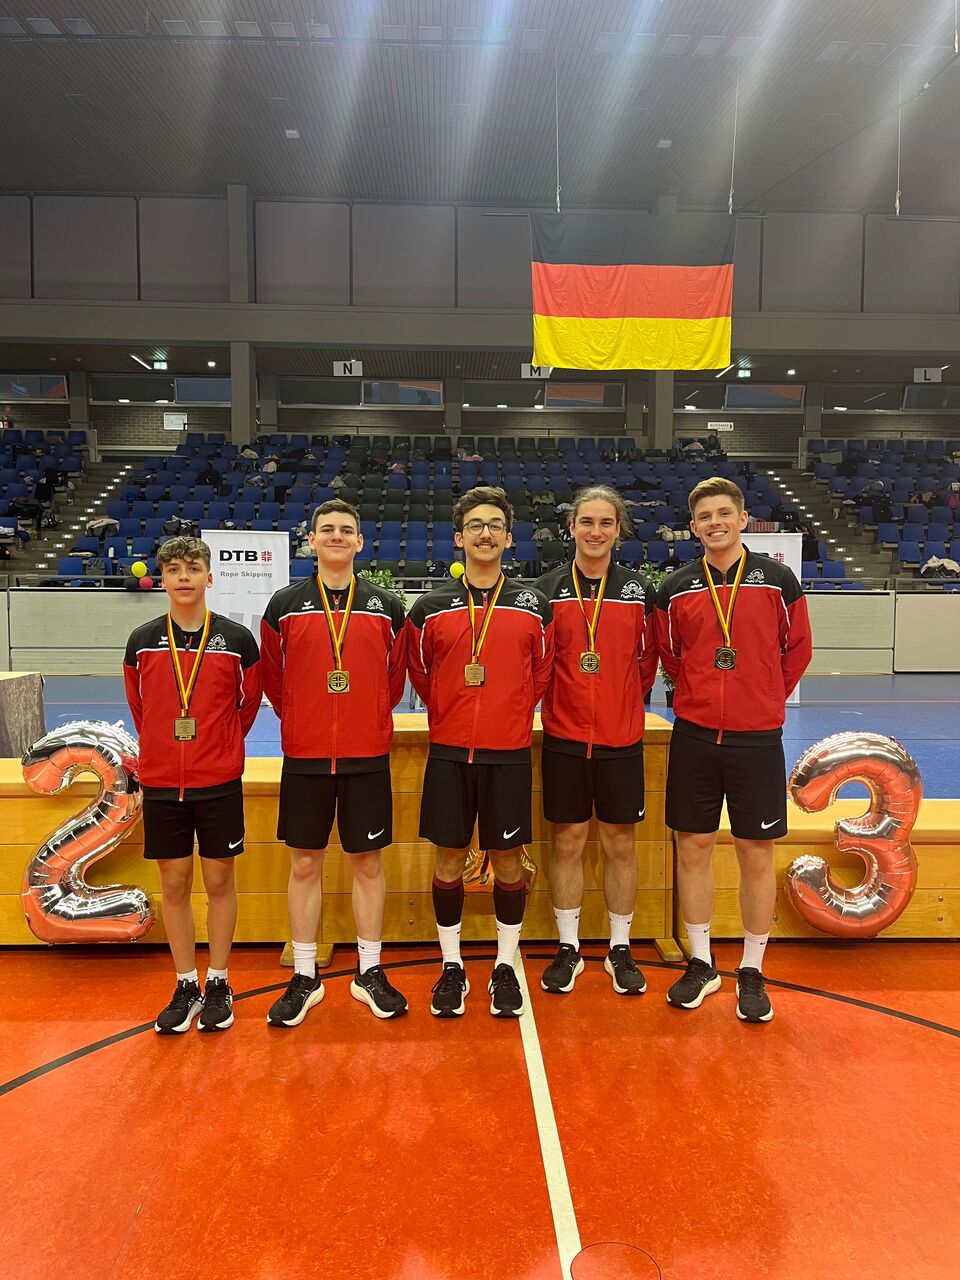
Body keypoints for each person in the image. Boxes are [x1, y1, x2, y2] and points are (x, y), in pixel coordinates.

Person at [655, 478, 812, 1023]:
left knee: (755, 852)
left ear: (743, 519)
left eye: (724, 513)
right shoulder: (675, 588)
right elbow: (671, 657)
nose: (715, 523)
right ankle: (701, 961)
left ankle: (752, 968)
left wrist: (763, 697)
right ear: (693, 526)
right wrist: (701, 696)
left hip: (756, 737)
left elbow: (798, 649)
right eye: (705, 516)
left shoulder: (777, 580)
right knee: (693, 846)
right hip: (695, 736)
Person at [406, 486, 554, 1018]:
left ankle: (504, 964)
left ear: (509, 539)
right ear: (459, 538)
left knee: (509, 860)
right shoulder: (429, 608)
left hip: (507, 751)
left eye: (494, 525)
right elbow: (420, 672)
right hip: (448, 751)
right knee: (448, 858)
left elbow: (541, 672)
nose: (485, 533)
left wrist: (508, 711)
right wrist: (450, 708)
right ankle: (452, 966)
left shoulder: (533, 605)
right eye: (475, 525)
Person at [260, 499, 408, 1025]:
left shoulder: (386, 607)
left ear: (360, 541)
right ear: (313, 540)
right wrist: (306, 718)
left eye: (347, 529)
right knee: (305, 863)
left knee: (367, 863)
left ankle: (370, 971)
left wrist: (366, 715)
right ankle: (305, 974)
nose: (337, 536)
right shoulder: (284, 605)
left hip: (366, 754)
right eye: (327, 529)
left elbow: (394, 679)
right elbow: (273, 679)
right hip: (306, 754)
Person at [123, 536, 262, 1034]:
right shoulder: (142, 640)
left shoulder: (237, 640)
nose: (184, 577)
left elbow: (247, 705)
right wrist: (164, 749)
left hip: (218, 781)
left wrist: (218, 747)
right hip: (163, 782)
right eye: (174, 569)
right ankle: (186, 984)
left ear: (209, 576)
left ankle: (219, 981)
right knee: (175, 884)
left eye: (193, 568)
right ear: (161, 578)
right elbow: (140, 707)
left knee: (220, 882)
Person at [535, 486, 658, 996]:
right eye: (587, 521)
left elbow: (647, 663)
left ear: (618, 529)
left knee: (620, 844)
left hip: (620, 738)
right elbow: (538, 663)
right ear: (571, 528)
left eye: (606, 522)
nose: (595, 531)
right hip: (564, 737)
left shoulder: (638, 592)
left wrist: (620, 703)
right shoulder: (546, 591)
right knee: (567, 841)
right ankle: (569, 947)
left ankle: (620, 948)